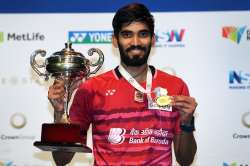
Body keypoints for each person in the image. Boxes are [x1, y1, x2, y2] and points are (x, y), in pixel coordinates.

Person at [48, 3, 197, 166]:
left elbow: (185, 160)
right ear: (114, 40)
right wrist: (59, 113)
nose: (135, 42)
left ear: (153, 39)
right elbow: (62, 159)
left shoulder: (176, 86)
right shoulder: (91, 88)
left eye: (143, 34)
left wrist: (187, 122)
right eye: (127, 34)